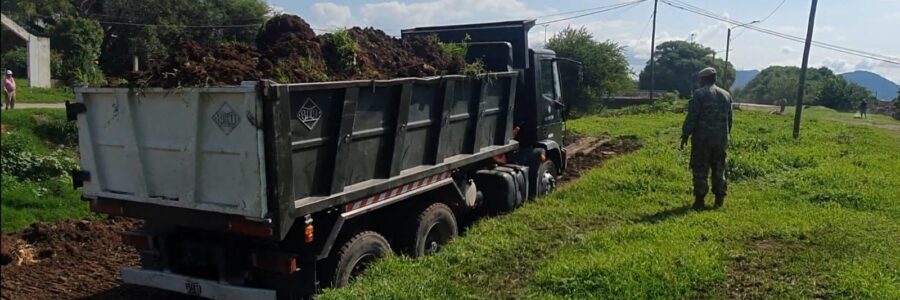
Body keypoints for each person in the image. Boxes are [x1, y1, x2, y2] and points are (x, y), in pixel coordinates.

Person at [680, 67, 733, 210]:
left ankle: (699, 200)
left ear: (703, 79)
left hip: (702, 139)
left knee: (700, 168)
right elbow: (730, 119)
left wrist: (685, 134)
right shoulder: (726, 95)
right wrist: (726, 136)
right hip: (721, 140)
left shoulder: (699, 94)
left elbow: (692, 116)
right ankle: (719, 199)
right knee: (719, 168)